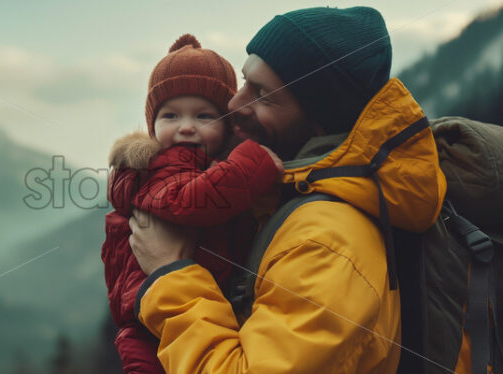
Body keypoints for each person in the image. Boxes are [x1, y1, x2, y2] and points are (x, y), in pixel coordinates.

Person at [129, 6, 450, 373]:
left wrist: (170, 273)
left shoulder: (327, 244)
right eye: (244, 81)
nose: (233, 105)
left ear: (318, 120)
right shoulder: (287, 195)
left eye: (262, 95)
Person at [101, 34, 284, 373]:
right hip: (148, 321)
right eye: (170, 116)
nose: (186, 127)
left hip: (177, 310)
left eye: (204, 116)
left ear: (229, 124)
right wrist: (253, 161)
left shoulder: (205, 167)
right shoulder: (159, 165)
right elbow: (192, 202)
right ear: (152, 125)